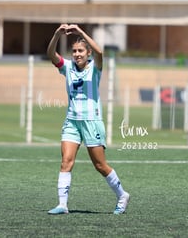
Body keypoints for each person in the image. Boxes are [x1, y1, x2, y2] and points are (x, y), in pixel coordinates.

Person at [46, 24, 129, 215]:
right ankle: (62, 205)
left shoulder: (95, 67)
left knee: (100, 165)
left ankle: (122, 195)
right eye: (74, 51)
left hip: (92, 122)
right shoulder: (67, 67)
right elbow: (51, 54)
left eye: (80, 50)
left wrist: (81, 32)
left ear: (88, 52)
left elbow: (100, 51)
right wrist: (57, 35)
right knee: (66, 161)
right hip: (72, 122)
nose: (77, 54)